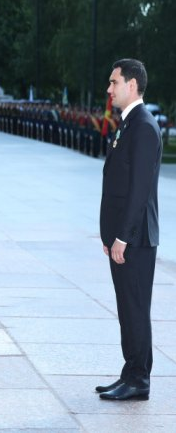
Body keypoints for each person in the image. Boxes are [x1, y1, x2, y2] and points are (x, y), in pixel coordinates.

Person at [97, 58, 161, 401]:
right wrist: (110, 235)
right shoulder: (129, 124)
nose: (109, 89)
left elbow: (138, 191)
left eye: (114, 82)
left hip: (135, 240)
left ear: (131, 85)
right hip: (123, 238)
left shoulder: (144, 126)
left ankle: (139, 380)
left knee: (135, 308)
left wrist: (123, 236)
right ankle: (130, 371)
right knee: (127, 308)